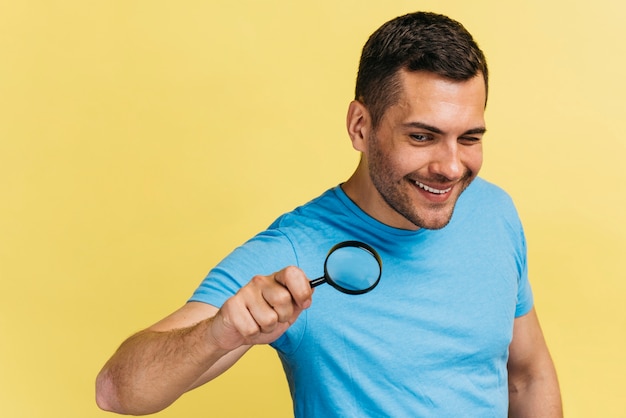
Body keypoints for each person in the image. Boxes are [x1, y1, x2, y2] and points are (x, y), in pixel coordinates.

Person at [96, 11, 562, 417]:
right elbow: (117, 391)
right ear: (361, 127)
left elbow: (527, 373)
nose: (451, 167)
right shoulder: (294, 253)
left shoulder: (493, 210)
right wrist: (217, 334)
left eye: (469, 138)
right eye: (422, 137)